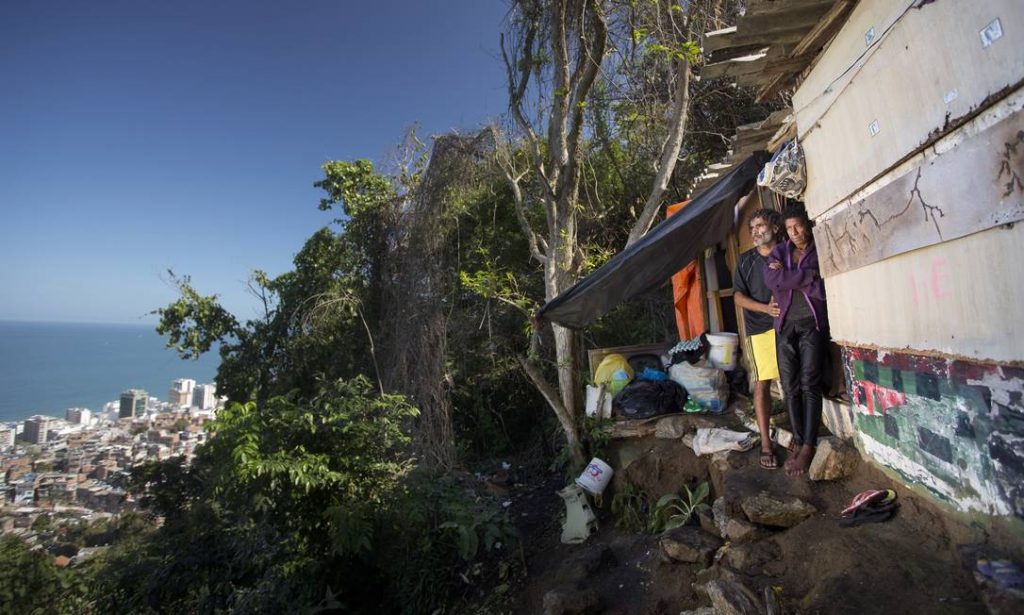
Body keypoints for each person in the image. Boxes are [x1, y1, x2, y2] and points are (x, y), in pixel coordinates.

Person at [764, 204, 828, 478]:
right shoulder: (779, 251)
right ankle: (799, 439)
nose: (795, 233)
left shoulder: (821, 248)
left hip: (811, 325)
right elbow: (772, 280)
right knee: (789, 386)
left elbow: (822, 286)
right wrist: (806, 277)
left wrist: (789, 278)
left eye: (799, 226)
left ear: (808, 224)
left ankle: (808, 447)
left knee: (809, 384)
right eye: (789, 229)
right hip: (786, 326)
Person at [733, 208, 782, 470]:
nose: (755, 232)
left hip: (788, 326)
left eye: (760, 226)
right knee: (762, 383)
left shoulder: (785, 252)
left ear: (774, 227)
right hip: (760, 328)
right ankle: (765, 443)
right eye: (752, 228)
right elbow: (738, 297)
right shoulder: (745, 261)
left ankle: (798, 437)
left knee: (792, 378)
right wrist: (765, 308)